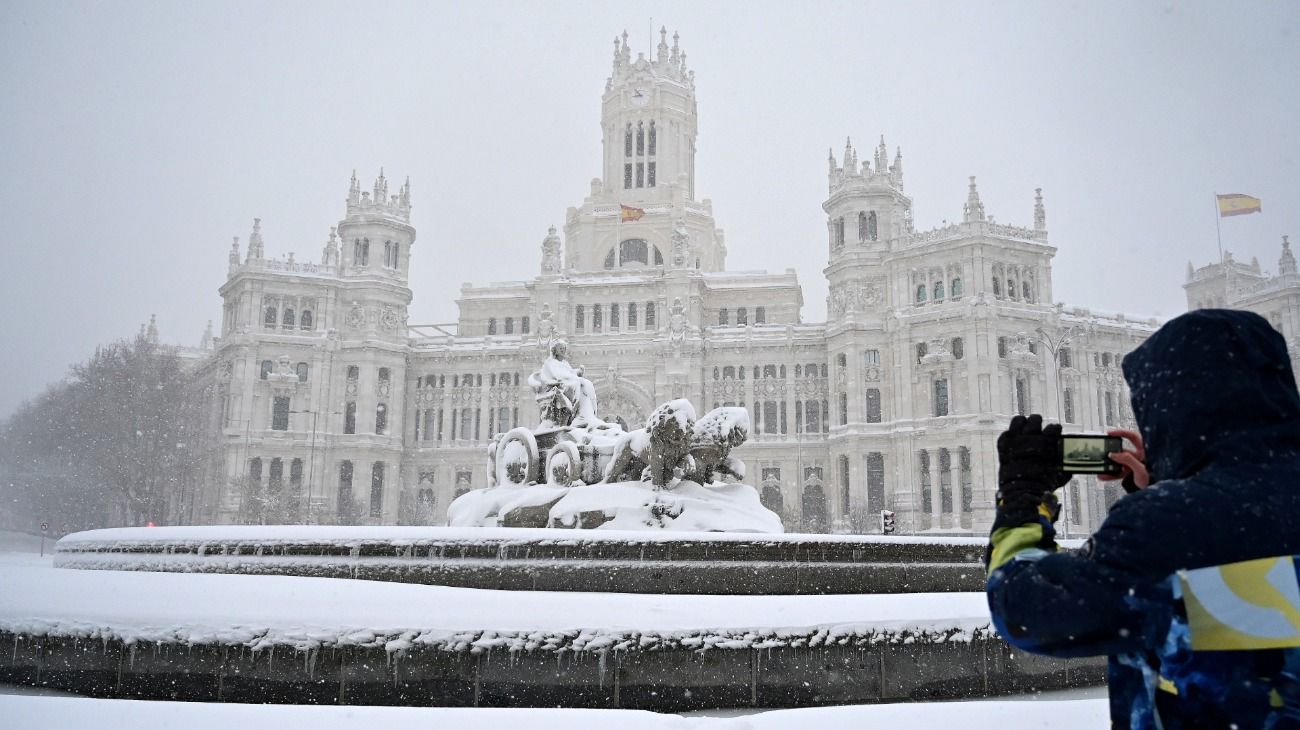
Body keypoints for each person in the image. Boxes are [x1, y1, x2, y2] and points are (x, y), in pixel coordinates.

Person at [986, 309, 1300, 729]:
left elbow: (1025, 605)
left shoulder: (1170, 528)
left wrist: (1023, 498)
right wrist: (1178, 480)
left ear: (1176, 409)